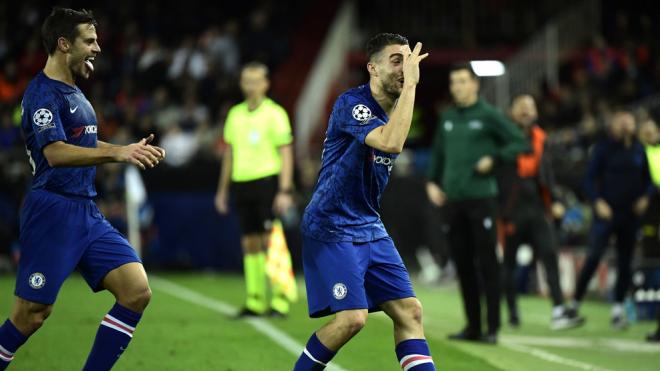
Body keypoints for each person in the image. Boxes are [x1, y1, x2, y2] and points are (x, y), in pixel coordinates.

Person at [0, 8, 165, 371]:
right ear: (63, 44)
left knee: (136, 291)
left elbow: (85, 141)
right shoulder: (42, 94)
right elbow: (55, 153)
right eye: (89, 41)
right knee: (30, 315)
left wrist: (126, 149)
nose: (97, 48)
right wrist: (118, 153)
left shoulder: (74, 91)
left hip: (86, 212)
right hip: (53, 210)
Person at [294, 33, 434, 371]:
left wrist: (408, 91)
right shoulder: (351, 104)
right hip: (331, 225)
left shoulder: (397, 110)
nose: (405, 68)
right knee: (352, 319)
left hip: (368, 225)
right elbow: (389, 143)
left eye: (408, 60)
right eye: (396, 61)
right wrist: (412, 86)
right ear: (372, 67)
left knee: (410, 311)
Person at [426, 63, 529, 344]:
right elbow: (437, 156)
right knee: (462, 265)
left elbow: (520, 142)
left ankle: (492, 328)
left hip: (481, 199)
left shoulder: (489, 115)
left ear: (474, 84)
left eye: (461, 81)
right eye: (453, 82)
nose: (456, 87)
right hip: (453, 201)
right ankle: (472, 326)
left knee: (487, 264)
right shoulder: (447, 118)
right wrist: (431, 183)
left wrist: (494, 159)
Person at [215, 61, 294, 317]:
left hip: (267, 182)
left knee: (271, 239)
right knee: (249, 241)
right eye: (246, 81)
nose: (250, 86)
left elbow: (286, 152)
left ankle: (280, 298)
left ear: (266, 84)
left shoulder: (275, 113)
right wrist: (222, 191)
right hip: (242, 183)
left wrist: (284, 189)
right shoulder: (235, 114)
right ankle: (255, 300)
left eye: (255, 81)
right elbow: (229, 154)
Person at [498, 95, 584, 330]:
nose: (526, 111)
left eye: (530, 107)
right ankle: (513, 311)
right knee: (509, 263)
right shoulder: (502, 135)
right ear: (512, 111)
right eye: (521, 107)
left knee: (549, 254)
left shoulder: (541, 138)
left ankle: (558, 310)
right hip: (511, 208)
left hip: (536, 206)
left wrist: (554, 200)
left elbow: (547, 173)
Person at [569, 110, 654, 330]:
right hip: (606, 214)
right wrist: (597, 202)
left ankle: (618, 310)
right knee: (594, 257)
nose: (626, 125)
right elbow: (588, 179)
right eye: (621, 121)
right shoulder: (603, 149)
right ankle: (575, 303)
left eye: (629, 121)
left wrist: (645, 197)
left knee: (625, 262)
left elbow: (649, 181)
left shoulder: (639, 150)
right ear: (613, 125)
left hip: (630, 215)